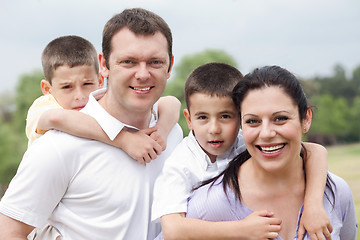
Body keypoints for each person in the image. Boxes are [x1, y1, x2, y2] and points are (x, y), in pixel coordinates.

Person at [0, 8, 183, 240]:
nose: (143, 74)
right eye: (128, 62)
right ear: (104, 64)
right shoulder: (58, 146)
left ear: (170, 65)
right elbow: (9, 233)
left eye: (155, 62)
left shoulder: (173, 133)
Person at [152, 63, 332, 239]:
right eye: (203, 117)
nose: (214, 129)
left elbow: (315, 152)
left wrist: (313, 205)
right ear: (189, 120)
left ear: (240, 117)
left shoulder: (246, 141)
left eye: (225, 116)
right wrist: (242, 229)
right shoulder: (180, 165)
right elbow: (172, 230)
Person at [26, 35, 181, 164]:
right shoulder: (45, 106)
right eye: (67, 87)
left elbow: (172, 102)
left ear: (100, 80)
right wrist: (124, 139)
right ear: (47, 89)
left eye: (87, 84)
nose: (79, 95)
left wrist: (162, 130)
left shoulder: (105, 102)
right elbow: (56, 118)